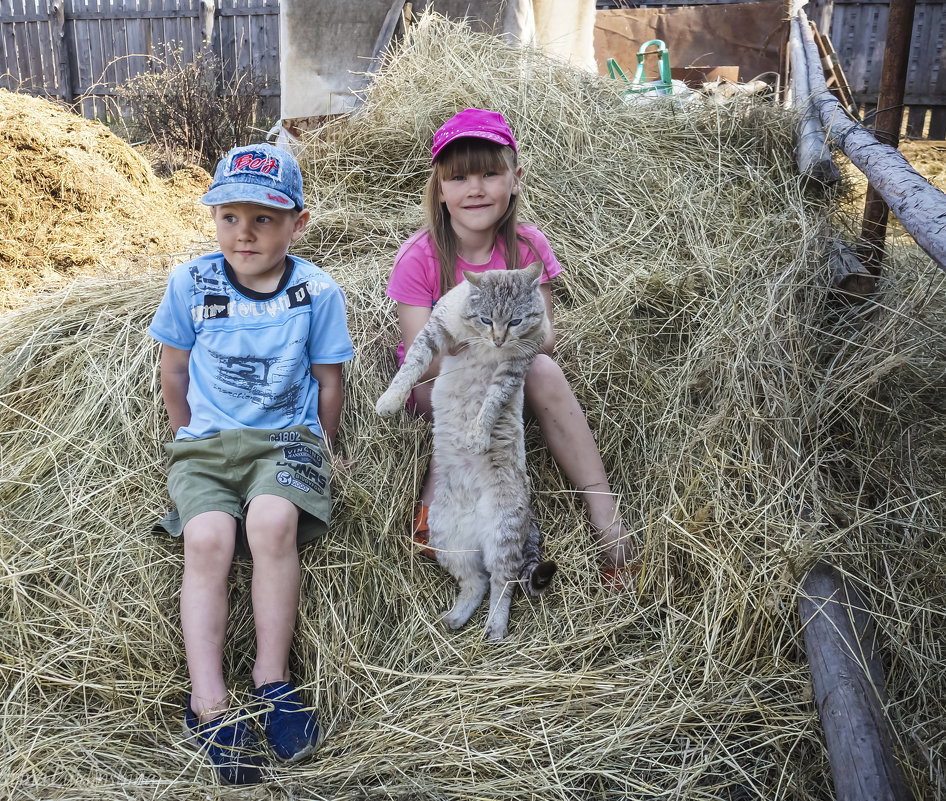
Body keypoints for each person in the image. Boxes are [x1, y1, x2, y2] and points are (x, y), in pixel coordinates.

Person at [149, 143, 354, 784]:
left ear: (299, 222)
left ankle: (273, 680)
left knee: (270, 524)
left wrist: (326, 446)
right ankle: (206, 699)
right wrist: (187, 438)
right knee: (207, 537)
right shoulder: (191, 283)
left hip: (284, 441)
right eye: (230, 217)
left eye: (264, 219)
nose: (245, 233)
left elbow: (328, 380)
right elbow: (174, 371)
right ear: (214, 219)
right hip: (207, 446)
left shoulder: (316, 290)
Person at [386, 108, 637, 587]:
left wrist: (496, 354)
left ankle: (606, 521)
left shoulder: (526, 247)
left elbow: (544, 337)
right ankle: (434, 501)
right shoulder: (419, 257)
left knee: (542, 369)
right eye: (458, 178)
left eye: (489, 173)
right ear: (440, 189)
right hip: (438, 384)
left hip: (510, 378)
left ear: (515, 179)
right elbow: (425, 350)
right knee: (464, 379)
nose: (475, 188)